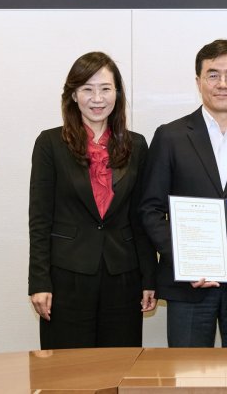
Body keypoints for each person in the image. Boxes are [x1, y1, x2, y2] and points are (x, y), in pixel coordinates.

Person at [139, 39, 227, 348]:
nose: (222, 84)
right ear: (198, 82)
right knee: (188, 373)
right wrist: (186, 260)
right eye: (213, 75)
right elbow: (150, 209)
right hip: (188, 287)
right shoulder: (170, 136)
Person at [28, 52, 157, 349]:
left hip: (123, 276)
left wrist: (149, 278)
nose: (97, 98)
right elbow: (40, 219)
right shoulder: (50, 144)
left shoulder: (136, 145)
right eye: (87, 89)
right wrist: (39, 282)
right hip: (66, 276)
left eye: (105, 89)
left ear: (117, 94)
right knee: (67, 368)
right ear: (73, 95)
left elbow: (141, 218)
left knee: (120, 365)